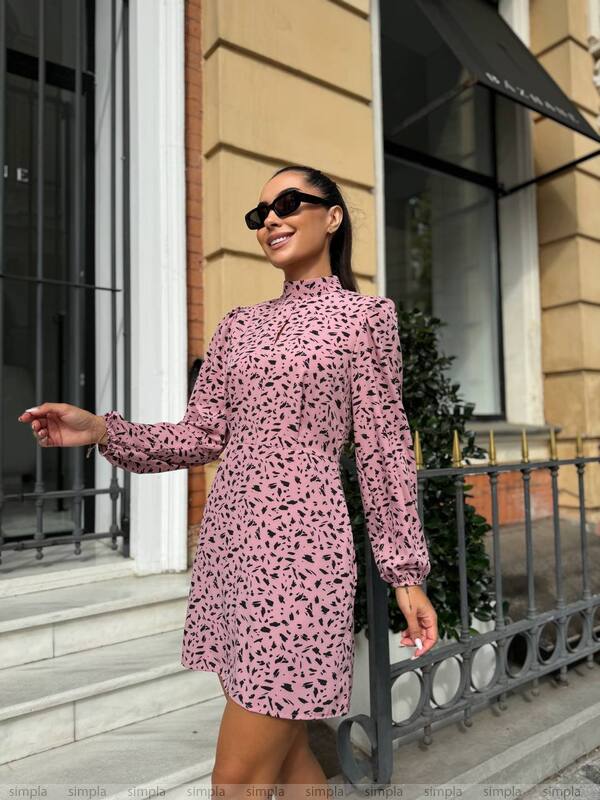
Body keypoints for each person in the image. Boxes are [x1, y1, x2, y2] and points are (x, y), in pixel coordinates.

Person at [18, 165, 438, 794]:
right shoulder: (238, 326)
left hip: (302, 563)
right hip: (230, 558)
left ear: (332, 216)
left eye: (289, 203)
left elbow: (383, 450)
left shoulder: (364, 319)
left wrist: (405, 572)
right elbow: (199, 437)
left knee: (235, 778)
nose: (270, 218)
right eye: (260, 211)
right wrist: (102, 431)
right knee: (290, 758)